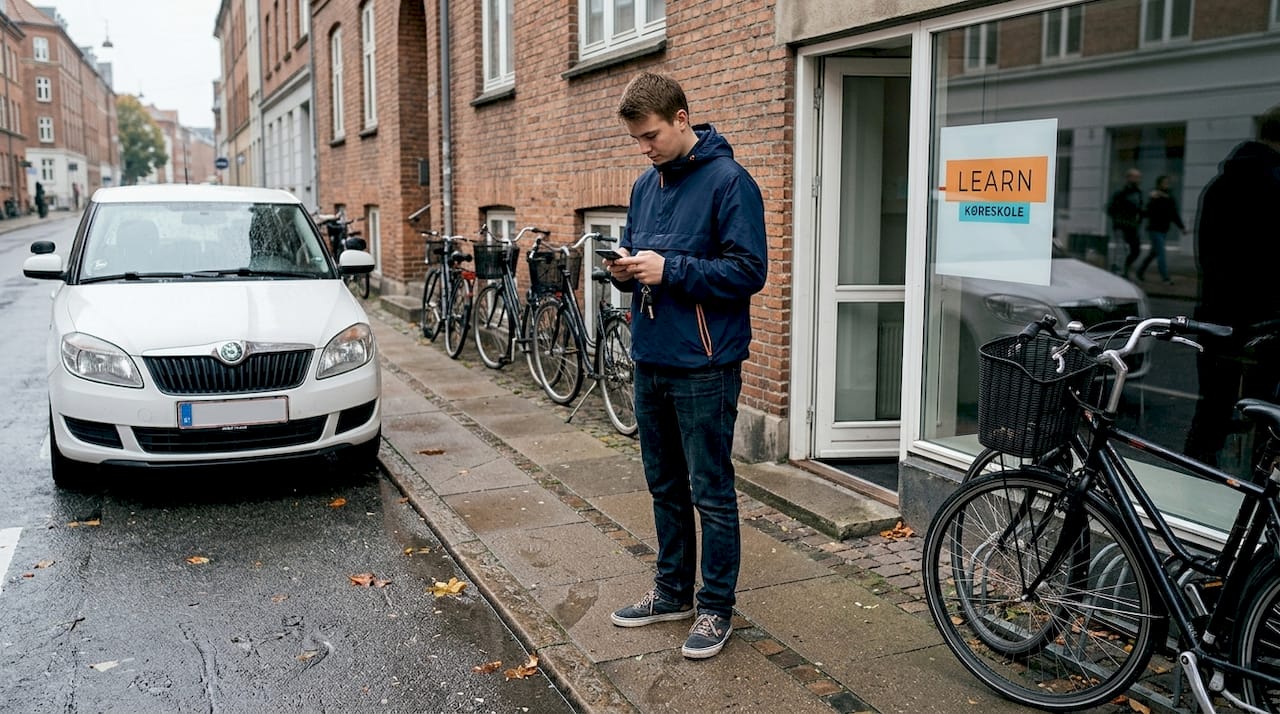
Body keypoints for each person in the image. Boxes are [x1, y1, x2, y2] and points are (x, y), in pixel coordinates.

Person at [602, 71, 767, 660]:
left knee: (711, 491)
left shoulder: (730, 182)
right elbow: (639, 254)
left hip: (704, 364)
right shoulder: (646, 186)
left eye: (650, 137)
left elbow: (749, 272)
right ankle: (671, 592)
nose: (644, 150)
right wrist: (625, 270)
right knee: (664, 485)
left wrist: (669, 269)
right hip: (650, 355)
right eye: (636, 141)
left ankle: (716, 607)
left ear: (680, 119)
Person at [1184, 104, 1280, 467]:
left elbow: (1207, 257)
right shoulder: (1275, 185)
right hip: (1264, 324)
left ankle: (1195, 482)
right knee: (1264, 418)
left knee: (1212, 410)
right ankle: (1254, 507)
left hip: (1216, 316)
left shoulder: (1220, 185)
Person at [1135, 175, 1185, 284]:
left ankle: (1139, 272)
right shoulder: (1154, 196)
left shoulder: (1170, 197)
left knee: (1153, 253)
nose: (1167, 185)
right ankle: (1165, 278)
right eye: (1164, 183)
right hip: (1154, 229)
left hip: (1163, 229)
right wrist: (1153, 199)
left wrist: (1182, 227)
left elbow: (1174, 214)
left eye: (1168, 183)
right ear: (1159, 184)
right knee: (1161, 253)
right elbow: (1147, 211)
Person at [1106, 168, 1144, 278]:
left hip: (1132, 226)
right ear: (1129, 178)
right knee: (1121, 249)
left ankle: (1124, 268)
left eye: (1139, 177)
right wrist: (1118, 218)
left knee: (1136, 250)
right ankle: (1119, 272)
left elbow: (1140, 209)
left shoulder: (1139, 193)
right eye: (1135, 177)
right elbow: (1111, 208)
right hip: (1121, 226)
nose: (1138, 179)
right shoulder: (1121, 193)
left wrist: (1139, 220)